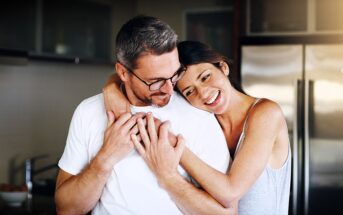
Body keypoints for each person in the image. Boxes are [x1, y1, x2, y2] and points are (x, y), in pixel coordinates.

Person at [55, 16, 235, 215]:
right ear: (123, 73)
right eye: (155, 81)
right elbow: (66, 209)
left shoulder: (198, 112)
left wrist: (168, 176)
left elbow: (226, 213)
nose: (168, 89)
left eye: (174, 75)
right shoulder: (88, 112)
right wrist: (105, 158)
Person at [104, 41, 291, 215]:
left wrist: (172, 147)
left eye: (205, 77)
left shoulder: (266, 113)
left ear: (223, 67)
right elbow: (135, 77)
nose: (203, 93)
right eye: (189, 91)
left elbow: (230, 192)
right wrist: (111, 87)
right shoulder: (207, 121)